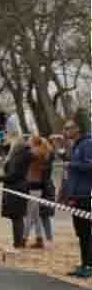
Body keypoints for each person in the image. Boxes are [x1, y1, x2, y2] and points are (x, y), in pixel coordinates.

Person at [61, 116, 92, 277]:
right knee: (80, 232)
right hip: (75, 193)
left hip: (85, 194)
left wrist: (71, 164)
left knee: (86, 231)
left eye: (68, 128)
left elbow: (89, 165)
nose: (65, 131)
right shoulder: (76, 145)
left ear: (77, 129)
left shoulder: (87, 143)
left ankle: (88, 266)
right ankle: (85, 263)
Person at [0, 132, 30, 249]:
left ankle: (19, 243)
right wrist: (4, 142)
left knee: (17, 217)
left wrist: (2, 178)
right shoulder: (15, 153)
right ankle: (18, 241)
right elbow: (3, 148)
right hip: (13, 186)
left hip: (17, 186)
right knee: (15, 217)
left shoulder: (20, 154)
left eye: (9, 139)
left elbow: (15, 173)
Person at [22, 135, 55, 249]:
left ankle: (23, 238)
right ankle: (39, 239)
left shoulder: (36, 153)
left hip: (34, 186)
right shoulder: (44, 152)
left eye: (30, 141)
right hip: (38, 186)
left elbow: (23, 155)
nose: (28, 142)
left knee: (30, 214)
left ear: (34, 143)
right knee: (36, 215)